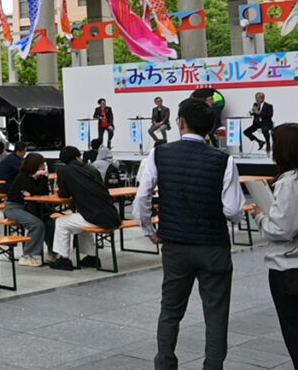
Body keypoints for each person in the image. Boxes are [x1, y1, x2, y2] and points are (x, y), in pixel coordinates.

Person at [133, 97, 244, 369]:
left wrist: (151, 231)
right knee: (216, 314)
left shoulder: (159, 154)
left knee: (170, 311)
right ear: (210, 128)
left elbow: (141, 201)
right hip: (213, 247)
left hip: (175, 245)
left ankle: (166, 363)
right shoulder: (224, 161)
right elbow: (232, 210)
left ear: (181, 122)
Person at [252, 123, 298, 363]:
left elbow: (281, 229)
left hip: (288, 268)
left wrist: (260, 215)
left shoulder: (290, 182)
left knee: (293, 331)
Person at [50, 145, 121, 272]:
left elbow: (64, 194)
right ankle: (91, 256)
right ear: (78, 157)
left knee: (61, 222)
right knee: (81, 220)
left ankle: (64, 259)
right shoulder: (91, 168)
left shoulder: (64, 171)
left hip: (95, 216)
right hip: (112, 214)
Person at [4, 152, 55, 267]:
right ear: (36, 165)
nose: (44, 166)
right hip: (14, 207)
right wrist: (43, 176)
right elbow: (39, 192)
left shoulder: (34, 176)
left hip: (30, 207)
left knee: (50, 222)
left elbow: (44, 193)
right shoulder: (23, 177)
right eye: (42, 164)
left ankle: (53, 252)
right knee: (37, 224)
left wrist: (42, 177)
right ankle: (27, 256)